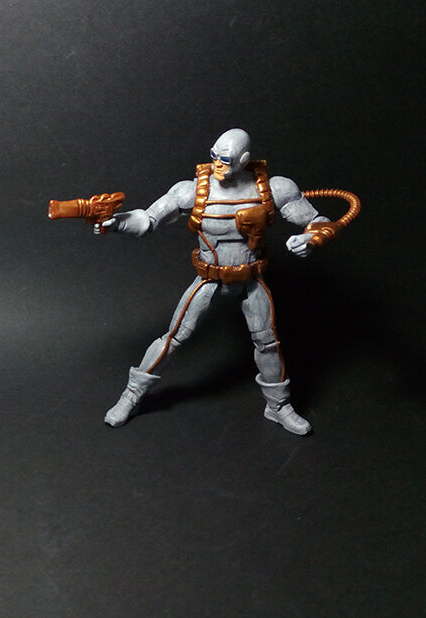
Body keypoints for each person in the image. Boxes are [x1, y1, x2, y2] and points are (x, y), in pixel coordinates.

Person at [97, 129, 331, 434]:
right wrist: (117, 223)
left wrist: (312, 239)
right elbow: (147, 220)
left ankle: (278, 406)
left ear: (244, 160)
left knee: (268, 343)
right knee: (174, 337)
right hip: (208, 278)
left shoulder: (274, 188)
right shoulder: (192, 191)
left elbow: (318, 221)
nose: (218, 164)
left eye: (226, 159)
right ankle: (132, 395)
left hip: (251, 279)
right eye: (214, 156)